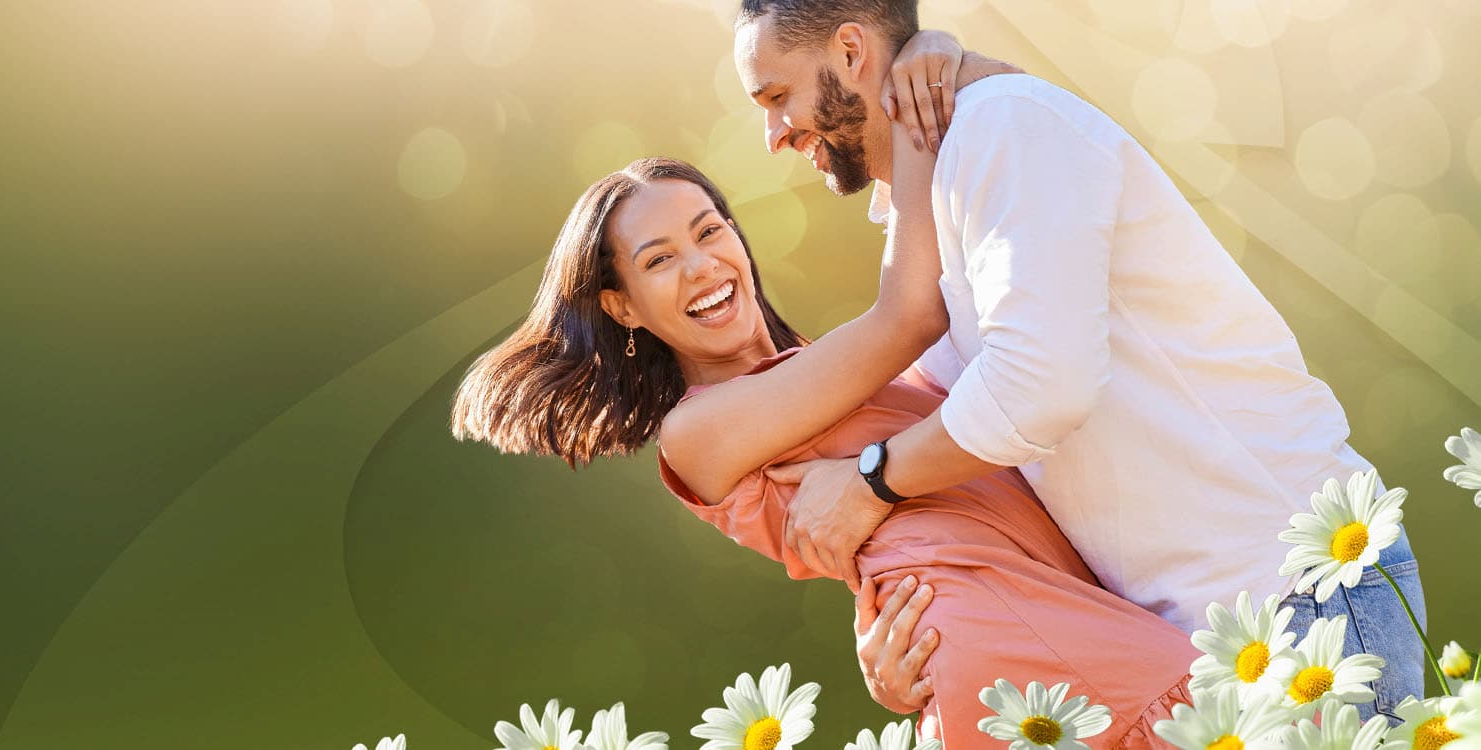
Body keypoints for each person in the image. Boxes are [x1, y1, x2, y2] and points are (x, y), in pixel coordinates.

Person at [449, 50, 1197, 746]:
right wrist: (911, 94)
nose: (703, 266)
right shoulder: (698, 434)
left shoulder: (827, 374)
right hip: (1014, 644)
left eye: (710, 231)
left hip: (1042, 620)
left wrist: (951, 59)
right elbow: (910, 312)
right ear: (625, 308)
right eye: (659, 260)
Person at [729, 0, 1425, 720]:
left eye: (779, 97)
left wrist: (869, 484)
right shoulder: (933, 199)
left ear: (850, 52)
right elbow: (976, 454)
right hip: (1201, 639)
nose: (775, 135)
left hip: (1302, 595)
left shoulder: (1005, 128)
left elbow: (1039, 387)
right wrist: (894, 614)